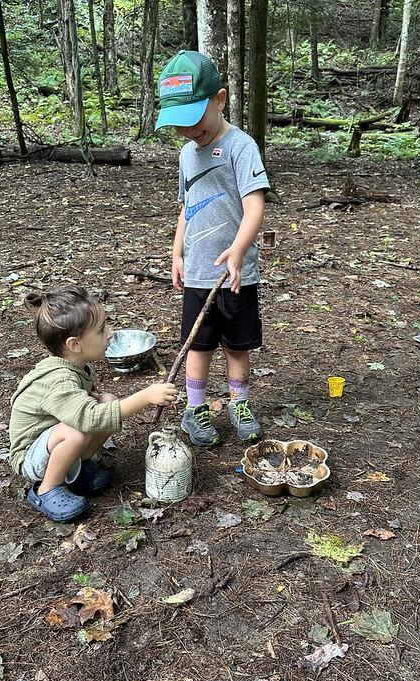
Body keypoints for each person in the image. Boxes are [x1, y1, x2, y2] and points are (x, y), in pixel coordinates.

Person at [155, 50, 270, 447]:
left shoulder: (241, 147)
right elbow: (188, 207)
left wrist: (239, 249)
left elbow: (255, 205)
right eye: (178, 124)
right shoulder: (187, 154)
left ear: (219, 99)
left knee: (237, 344)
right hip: (200, 273)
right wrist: (177, 253)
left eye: (193, 120)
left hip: (236, 274)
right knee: (198, 344)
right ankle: (195, 408)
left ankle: (240, 402)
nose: (188, 132)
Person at [8, 286, 177, 522]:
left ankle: (77, 469)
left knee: (105, 401)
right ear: (74, 344)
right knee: (76, 431)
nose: (110, 333)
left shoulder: (77, 366)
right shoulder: (59, 380)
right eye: (101, 330)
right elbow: (90, 418)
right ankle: (46, 489)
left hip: (52, 441)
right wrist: (145, 397)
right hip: (30, 457)